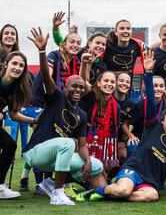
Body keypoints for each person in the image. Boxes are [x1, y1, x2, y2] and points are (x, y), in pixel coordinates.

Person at [76, 51, 166, 202]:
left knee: (151, 196)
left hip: (150, 182)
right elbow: (150, 100)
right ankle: (95, 192)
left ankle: (110, 193)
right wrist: (148, 73)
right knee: (123, 190)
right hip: (134, 171)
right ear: (162, 120)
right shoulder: (152, 127)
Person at [24, 27, 106, 205]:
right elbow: (46, 77)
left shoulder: (81, 114)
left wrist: (87, 162)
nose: (78, 89)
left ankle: (51, 182)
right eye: (73, 86)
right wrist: (41, 50)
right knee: (68, 143)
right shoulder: (56, 98)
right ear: (65, 88)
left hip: (55, 156)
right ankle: (57, 193)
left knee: (97, 164)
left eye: (81, 87)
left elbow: (82, 144)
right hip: (36, 154)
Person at [0, 50, 35, 199]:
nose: (17, 67)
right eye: (14, 63)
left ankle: (0, 187)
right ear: (6, 64)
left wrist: (34, 121)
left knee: (10, 145)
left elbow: (13, 115)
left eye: (21, 65)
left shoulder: (16, 88)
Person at [79, 56, 121, 179]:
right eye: (106, 81)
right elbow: (82, 81)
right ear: (98, 83)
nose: (109, 84)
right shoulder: (91, 95)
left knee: (102, 187)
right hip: (83, 146)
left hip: (104, 148)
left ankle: (102, 174)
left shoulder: (116, 106)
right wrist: (84, 63)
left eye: (112, 82)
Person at [113, 72, 136, 165]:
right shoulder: (107, 98)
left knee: (124, 154)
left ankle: (116, 175)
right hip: (103, 137)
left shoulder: (131, 104)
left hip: (120, 139)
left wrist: (129, 136)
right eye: (121, 80)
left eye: (127, 82)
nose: (124, 83)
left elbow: (124, 124)